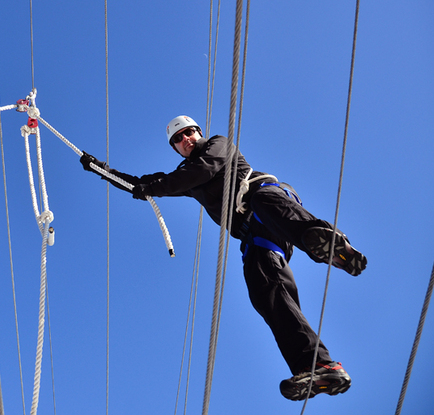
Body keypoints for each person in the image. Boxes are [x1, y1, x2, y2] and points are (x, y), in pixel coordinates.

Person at [79, 115, 367, 401]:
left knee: (264, 202)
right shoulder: (183, 178)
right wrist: (100, 169)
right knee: (265, 292)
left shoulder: (218, 145)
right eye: (178, 139)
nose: (185, 140)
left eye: (189, 133)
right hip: (255, 237)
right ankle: (319, 366)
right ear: (176, 148)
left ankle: (326, 242)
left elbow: (202, 171)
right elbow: (139, 183)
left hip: (267, 203)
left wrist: (152, 188)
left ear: (199, 132)